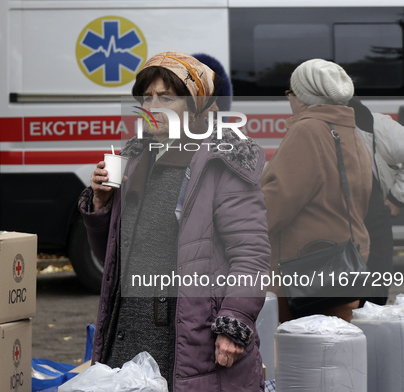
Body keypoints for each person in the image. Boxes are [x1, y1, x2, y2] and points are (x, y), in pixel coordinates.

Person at [79, 51, 271, 391]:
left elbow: (251, 254)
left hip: (185, 338)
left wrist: (234, 324)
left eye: (167, 97)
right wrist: (101, 203)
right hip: (126, 333)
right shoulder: (136, 158)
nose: (153, 106)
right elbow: (113, 256)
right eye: (148, 97)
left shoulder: (221, 161)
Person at [261, 58, 372, 323]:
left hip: (303, 269)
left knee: (294, 357)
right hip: (344, 263)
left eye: (290, 92)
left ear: (302, 97)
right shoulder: (350, 130)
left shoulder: (308, 130)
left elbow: (276, 203)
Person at [348, 96, 404, 305]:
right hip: (336, 223)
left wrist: (398, 197)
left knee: (374, 298)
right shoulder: (310, 129)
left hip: (373, 219)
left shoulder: (373, 124)